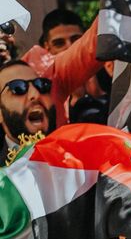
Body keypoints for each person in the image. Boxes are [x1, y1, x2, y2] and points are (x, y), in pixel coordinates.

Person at [0, 18, 104, 166]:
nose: (34, 94)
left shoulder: (43, 68)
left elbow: (90, 47)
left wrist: (119, 1)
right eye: (17, 88)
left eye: (41, 85)